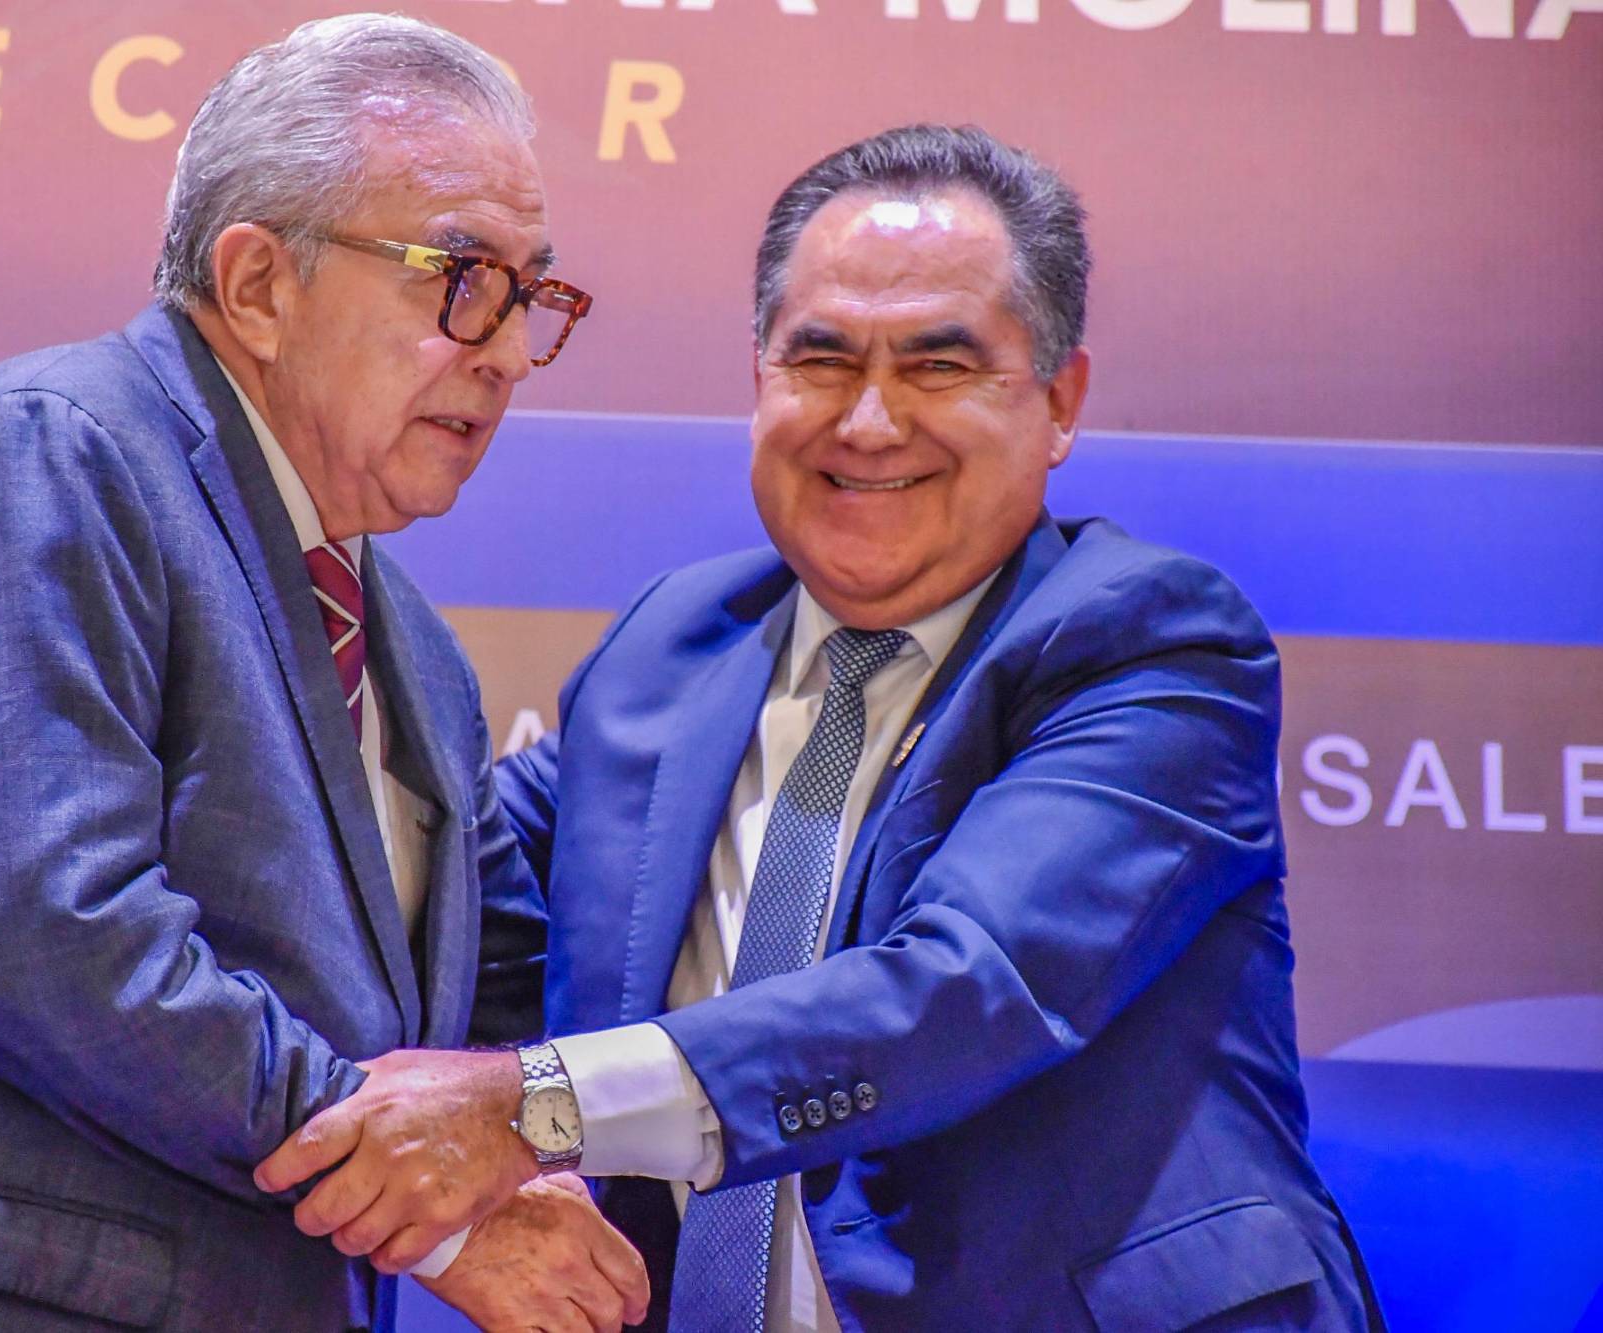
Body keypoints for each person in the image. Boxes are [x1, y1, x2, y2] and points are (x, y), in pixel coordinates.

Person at [0, 15, 646, 1331]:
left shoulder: (420, 660)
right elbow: (57, 943)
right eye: (462, 277)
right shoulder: (50, 452)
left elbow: (501, 995)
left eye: (531, 294)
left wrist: (558, 1130)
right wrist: (433, 1209)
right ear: (258, 284)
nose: (501, 348)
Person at [270, 124, 1385, 1330]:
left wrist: (527, 1110)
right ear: (758, 378)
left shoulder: (1148, 641)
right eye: (820, 359)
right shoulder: (670, 646)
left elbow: (963, 992)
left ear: (1058, 402)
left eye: (937, 365)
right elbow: (438, 894)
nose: (867, 421)